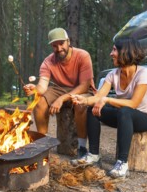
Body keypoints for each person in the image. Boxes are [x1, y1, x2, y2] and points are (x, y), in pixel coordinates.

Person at [70, 37, 147, 179]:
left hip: (144, 117)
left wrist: (108, 99)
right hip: (123, 116)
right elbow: (98, 97)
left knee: (125, 111)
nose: (111, 53)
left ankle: (122, 163)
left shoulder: (143, 73)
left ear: (125, 51)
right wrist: (84, 100)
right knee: (93, 109)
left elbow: (134, 104)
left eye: (114, 50)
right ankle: (93, 154)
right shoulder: (113, 74)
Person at [23, 27, 96, 158]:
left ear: (68, 41)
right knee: (39, 102)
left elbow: (85, 86)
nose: (59, 48)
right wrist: (34, 88)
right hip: (59, 89)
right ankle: (42, 143)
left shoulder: (82, 55)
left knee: (80, 104)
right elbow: (42, 87)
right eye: (54, 45)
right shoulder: (48, 61)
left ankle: (82, 147)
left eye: (61, 43)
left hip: (81, 90)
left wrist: (62, 98)